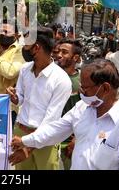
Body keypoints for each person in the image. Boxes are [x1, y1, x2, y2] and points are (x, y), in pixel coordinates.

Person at [9, 59, 119, 170]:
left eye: (85, 88)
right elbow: (55, 130)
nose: (81, 92)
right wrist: (25, 141)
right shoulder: (82, 108)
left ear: (105, 88)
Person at [6, 27, 72, 170]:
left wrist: (28, 147)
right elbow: (21, 98)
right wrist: (15, 97)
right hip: (21, 133)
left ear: (36, 47)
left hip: (45, 140)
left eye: (26, 45)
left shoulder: (61, 80)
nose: (23, 48)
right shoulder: (25, 69)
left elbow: (51, 120)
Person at [53, 38, 82, 170]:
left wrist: (77, 138)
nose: (59, 55)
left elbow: (86, 112)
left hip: (70, 143)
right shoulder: (50, 76)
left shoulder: (82, 82)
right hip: (50, 139)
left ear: (75, 58)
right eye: (58, 51)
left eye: (64, 52)